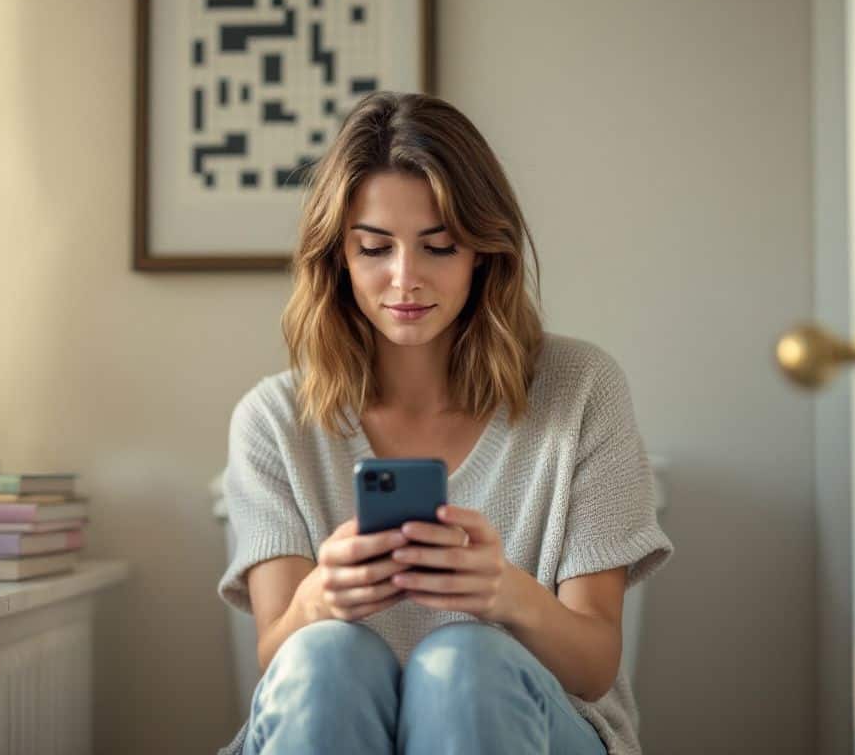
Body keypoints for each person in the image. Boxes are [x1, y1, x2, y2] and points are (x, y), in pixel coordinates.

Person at [216, 91, 674, 755]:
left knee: (466, 661)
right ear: (338, 257)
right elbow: (276, 660)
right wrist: (319, 600)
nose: (405, 279)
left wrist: (508, 595)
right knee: (324, 658)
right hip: (328, 711)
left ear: (482, 252)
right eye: (375, 248)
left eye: (439, 246)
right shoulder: (273, 421)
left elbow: (595, 665)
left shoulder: (581, 391)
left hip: (538, 725)